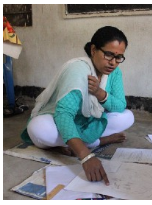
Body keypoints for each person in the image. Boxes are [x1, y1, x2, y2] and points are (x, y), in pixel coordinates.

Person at [21, 26, 135, 184]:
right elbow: (64, 114)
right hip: (58, 118)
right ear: (94, 49)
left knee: (127, 117)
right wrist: (86, 155)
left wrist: (99, 93)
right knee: (38, 128)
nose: (113, 62)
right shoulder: (78, 70)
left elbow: (120, 105)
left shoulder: (114, 72)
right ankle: (97, 141)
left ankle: (70, 144)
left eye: (119, 57)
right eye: (109, 54)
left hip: (88, 120)